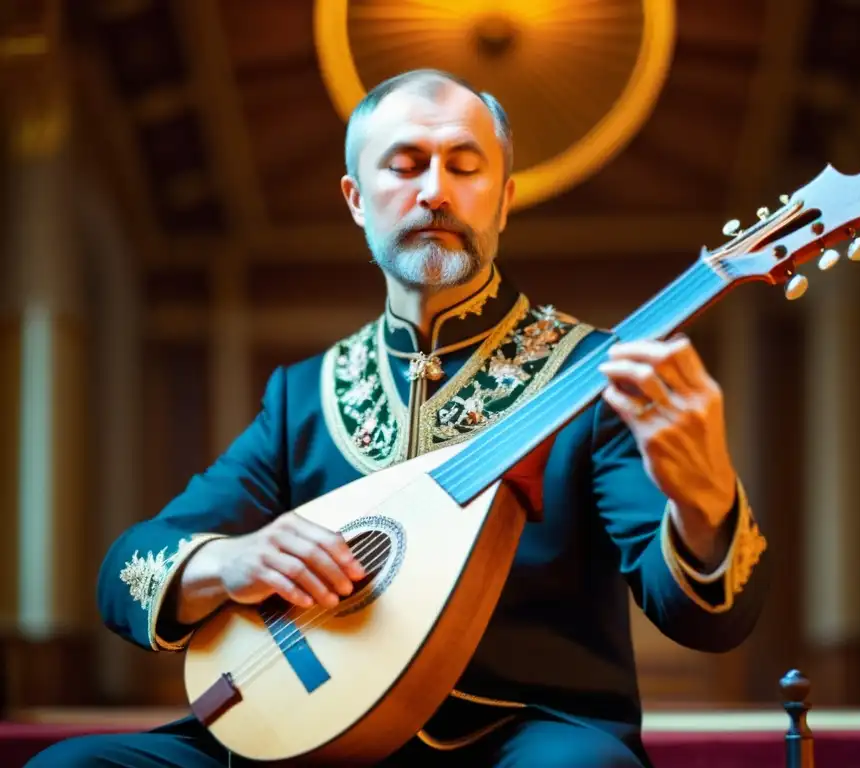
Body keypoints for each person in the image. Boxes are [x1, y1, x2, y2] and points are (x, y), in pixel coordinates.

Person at [28, 69, 769, 767]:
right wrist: (229, 563)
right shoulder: (307, 396)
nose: (436, 192)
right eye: (406, 164)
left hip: (517, 735)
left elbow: (705, 621)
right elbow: (125, 573)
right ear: (356, 198)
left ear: (503, 199)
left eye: (464, 165)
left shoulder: (592, 379)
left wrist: (704, 504)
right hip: (307, 731)